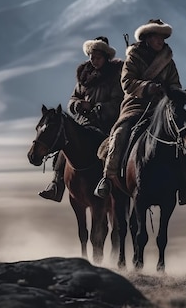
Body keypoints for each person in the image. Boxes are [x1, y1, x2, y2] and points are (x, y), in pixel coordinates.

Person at [94, 19, 186, 205]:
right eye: (156, 36)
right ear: (147, 38)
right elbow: (127, 83)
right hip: (136, 105)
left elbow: (175, 83)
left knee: (182, 135)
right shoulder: (134, 58)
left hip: (162, 107)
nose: (160, 40)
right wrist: (149, 87)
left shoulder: (168, 61)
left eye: (162, 37)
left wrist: (173, 93)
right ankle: (108, 176)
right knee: (120, 134)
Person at [39, 36, 124, 202]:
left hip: (105, 125)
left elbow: (117, 102)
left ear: (106, 57)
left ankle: (109, 183)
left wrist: (95, 108)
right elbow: (72, 100)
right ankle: (56, 184)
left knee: (110, 151)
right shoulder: (84, 77)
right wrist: (78, 106)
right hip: (82, 124)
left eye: (97, 57)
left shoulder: (115, 77)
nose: (94, 60)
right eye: (92, 57)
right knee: (65, 148)